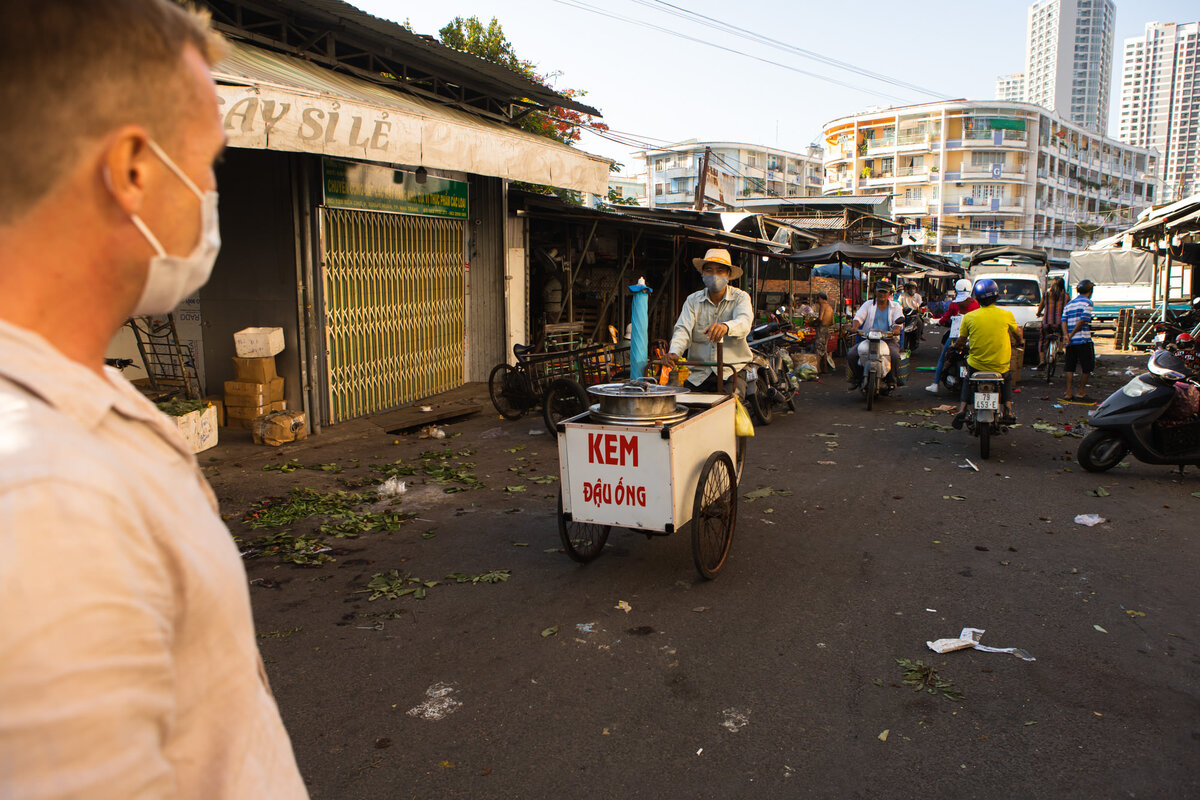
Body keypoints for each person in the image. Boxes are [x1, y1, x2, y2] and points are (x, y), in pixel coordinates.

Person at [0, 3, 308, 797]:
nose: (208, 194)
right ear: (135, 168)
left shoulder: (88, 396)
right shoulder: (43, 497)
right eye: (206, 163)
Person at [668, 248, 753, 399]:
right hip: (700, 373)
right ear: (702, 274)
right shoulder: (693, 300)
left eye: (720, 271)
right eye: (709, 270)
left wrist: (726, 327)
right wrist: (675, 352)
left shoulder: (741, 297)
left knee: (731, 406)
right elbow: (683, 329)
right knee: (686, 406)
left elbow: (744, 321)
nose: (714, 275)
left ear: (728, 275)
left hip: (732, 370)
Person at [951, 279, 1023, 428]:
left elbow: (961, 340)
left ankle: (962, 409)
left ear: (976, 298)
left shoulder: (969, 317)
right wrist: (1019, 340)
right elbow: (1018, 335)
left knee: (967, 378)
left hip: (977, 365)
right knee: (1007, 378)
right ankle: (1008, 409)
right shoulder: (1006, 315)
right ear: (997, 297)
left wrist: (955, 347)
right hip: (1000, 365)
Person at [926, 278, 979, 394]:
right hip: (972, 337)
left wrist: (937, 322)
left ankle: (935, 384)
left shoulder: (953, 305)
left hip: (955, 337)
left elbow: (945, 318)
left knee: (942, 359)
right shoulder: (975, 304)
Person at [848, 281, 905, 389]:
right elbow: (858, 317)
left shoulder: (895, 306)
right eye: (880, 292)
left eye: (884, 292)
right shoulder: (868, 304)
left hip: (888, 339)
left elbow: (898, 321)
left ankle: (891, 381)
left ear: (889, 294)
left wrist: (897, 329)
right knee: (852, 355)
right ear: (875, 292)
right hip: (869, 338)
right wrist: (855, 327)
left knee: (895, 356)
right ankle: (857, 378)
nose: (882, 294)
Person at [1061, 279, 1096, 402]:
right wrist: (1072, 334)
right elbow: (1082, 321)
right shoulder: (1088, 303)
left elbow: (1063, 320)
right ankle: (1081, 391)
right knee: (1087, 366)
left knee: (1070, 366)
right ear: (1090, 291)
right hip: (1083, 339)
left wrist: (1066, 336)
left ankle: (1068, 392)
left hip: (1070, 342)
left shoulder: (1069, 304)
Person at [1035, 276, 1068, 369]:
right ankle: (1060, 349)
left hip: (1047, 323)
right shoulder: (1066, 296)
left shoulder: (1046, 294)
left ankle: (1042, 360)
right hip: (1059, 323)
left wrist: (1038, 313)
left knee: (1042, 339)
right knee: (1062, 333)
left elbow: (1041, 306)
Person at [813, 292, 836, 371]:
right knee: (824, 348)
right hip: (827, 329)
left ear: (820, 298)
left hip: (822, 328)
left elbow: (820, 318)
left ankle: (818, 368)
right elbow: (833, 322)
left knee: (818, 348)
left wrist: (813, 322)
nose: (818, 301)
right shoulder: (830, 307)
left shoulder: (823, 306)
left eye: (818, 299)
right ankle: (825, 368)